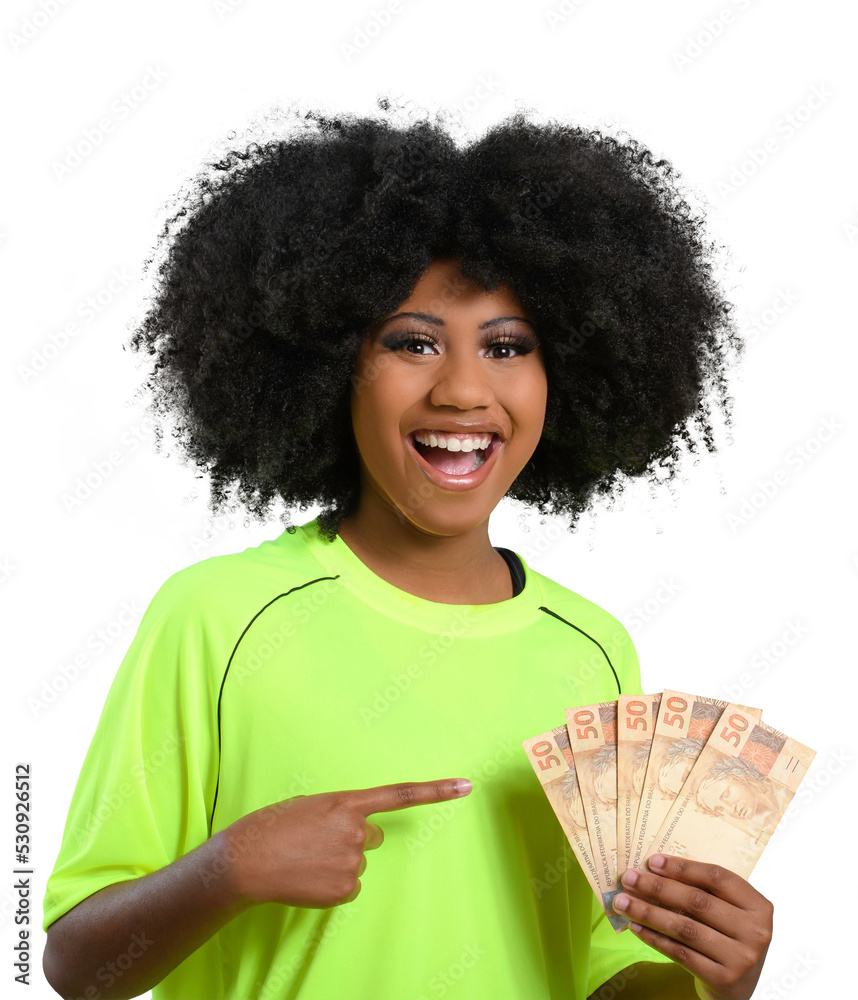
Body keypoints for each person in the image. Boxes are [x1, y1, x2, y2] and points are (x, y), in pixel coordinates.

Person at [41, 101, 774, 1000]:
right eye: (413, 342)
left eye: (507, 347)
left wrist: (713, 979)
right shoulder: (217, 618)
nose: (464, 388)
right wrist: (227, 867)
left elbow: (599, 966)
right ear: (329, 361)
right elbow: (77, 965)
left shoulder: (593, 649)